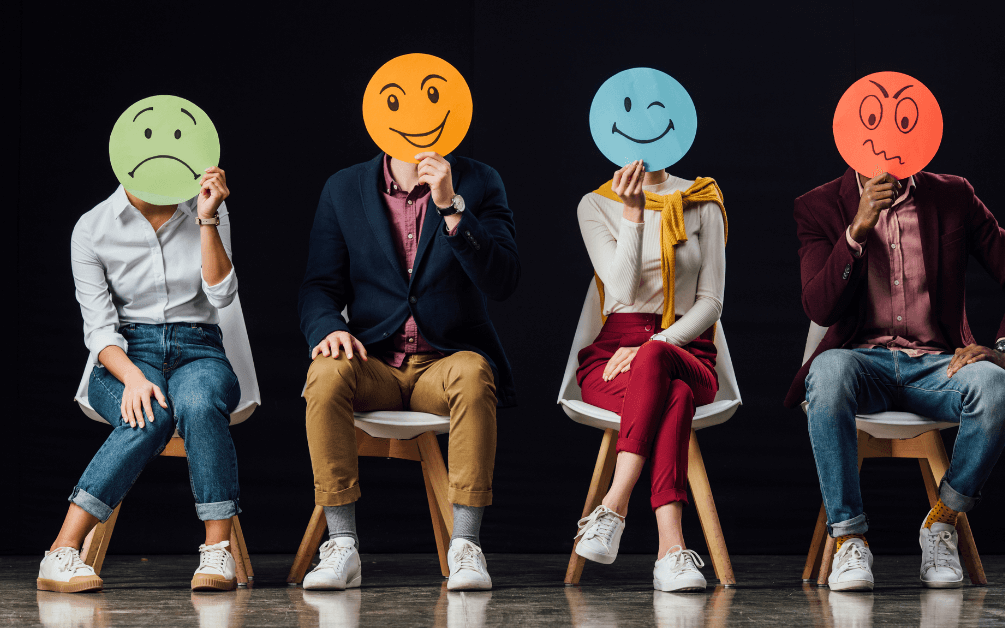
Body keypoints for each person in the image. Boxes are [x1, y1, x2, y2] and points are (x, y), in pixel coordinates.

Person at [788, 169, 1005, 590]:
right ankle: (850, 539)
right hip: (862, 362)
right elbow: (819, 308)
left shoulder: (953, 195)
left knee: (997, 388)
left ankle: (943, 521)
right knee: (828, 370)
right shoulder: (817, 204)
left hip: (938, 366)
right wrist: (856, 229)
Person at [297, 150, 519, 591]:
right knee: (324, 372)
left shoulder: (480, 180)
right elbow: (319, 287)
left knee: (476, 374)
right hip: (373, 360)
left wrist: (452, 206)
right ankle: (341, 544)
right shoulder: (344, 187)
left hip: (446, 360)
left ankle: (467, 546)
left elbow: (503, 280)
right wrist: (328, 328)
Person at [39, 167, 242, 593]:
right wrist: (131, 378)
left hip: (199, 346)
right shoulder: (93, 227)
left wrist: (207, 218)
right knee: (147, 416)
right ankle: (60, 551)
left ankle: (217, 551)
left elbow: (223, 296)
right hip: (128, 352)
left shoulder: (207, 207)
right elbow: (98, 329)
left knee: (200, 402)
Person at [572, 159, 734, 592]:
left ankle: (613, 505)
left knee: (662, 365)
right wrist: (632, 213)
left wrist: (657, 344)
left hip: (687, 351)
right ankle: (671, 551)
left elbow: (711, 301)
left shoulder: (703, 198)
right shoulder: (595, 203)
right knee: (675, 396)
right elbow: (620, 291)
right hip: (611, 356)